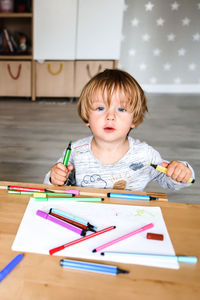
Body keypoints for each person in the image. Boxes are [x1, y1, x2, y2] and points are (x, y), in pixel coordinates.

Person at [44, 69, 195, 191]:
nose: (110, 116)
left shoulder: (145, 154)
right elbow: (51, 186)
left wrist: (182, 171)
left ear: (134, 119)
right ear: (86, 116)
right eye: (100, 108)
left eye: (121, 109)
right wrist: (54, 178)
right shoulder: (76, 152)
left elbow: (172, 182)